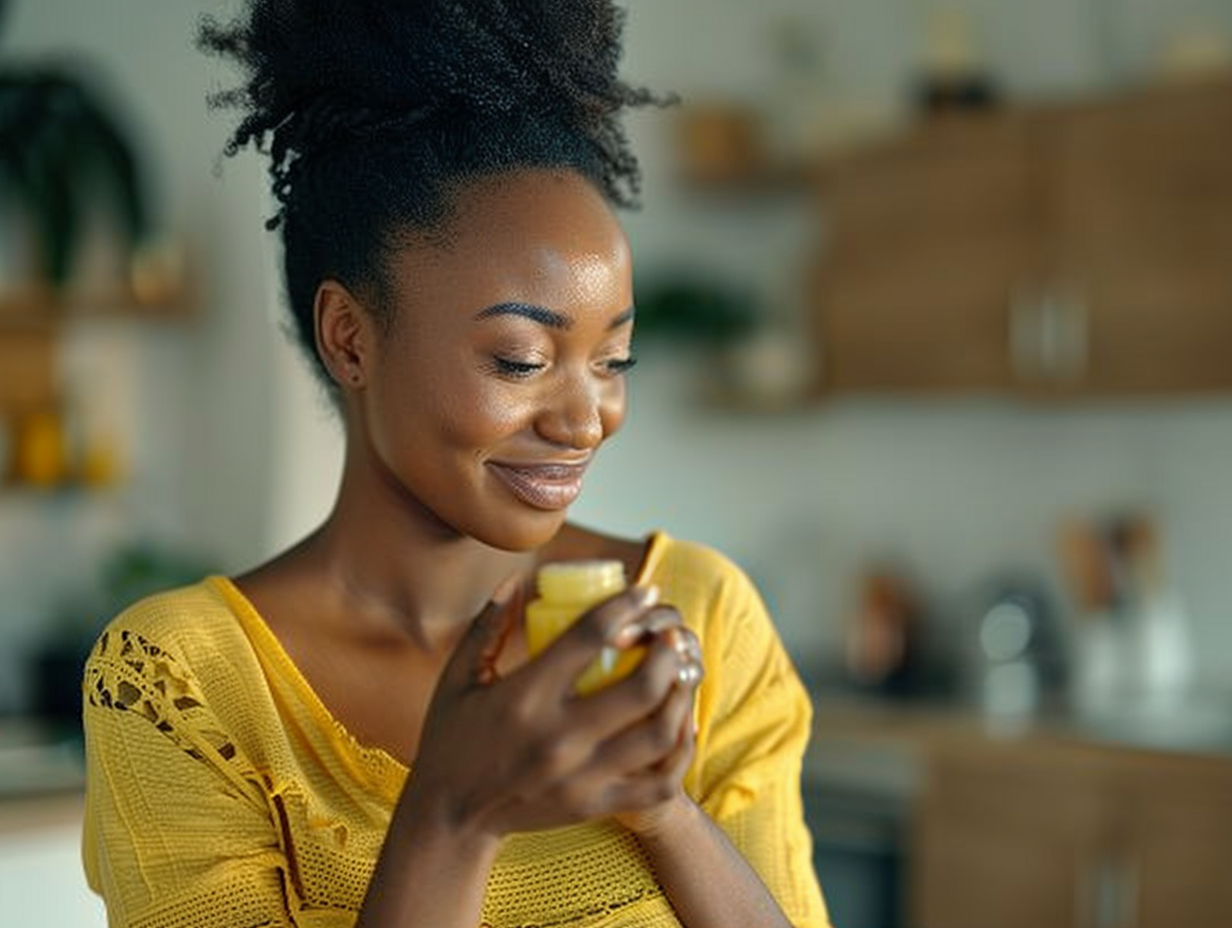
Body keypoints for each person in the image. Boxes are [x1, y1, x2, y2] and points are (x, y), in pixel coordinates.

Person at [80, 2, 832, 926]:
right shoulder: (181, 683)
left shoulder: (702, 620)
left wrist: (660, 806)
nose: (586, 419)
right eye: (520, 360)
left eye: (612, 361)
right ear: (350, 338)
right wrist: (450, 815)